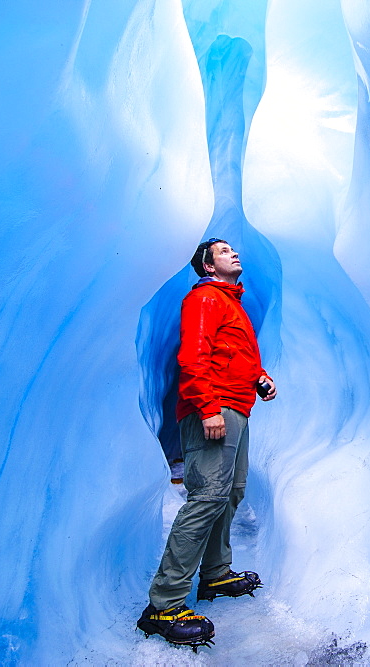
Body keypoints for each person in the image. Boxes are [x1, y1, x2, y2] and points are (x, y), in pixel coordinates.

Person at [137, 238, 276, 649]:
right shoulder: (205, 299)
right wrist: (208, 407)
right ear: (208, 266)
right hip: (214, 410)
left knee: (230, 493)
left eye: (233, 250)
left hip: (237, 405)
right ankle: (164, 604)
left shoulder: (230, 303)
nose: (234, 254)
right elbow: (194, 356)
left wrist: (259, 376)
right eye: (223, 251)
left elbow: (232, 354)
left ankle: (215, 573)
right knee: (207, 496)